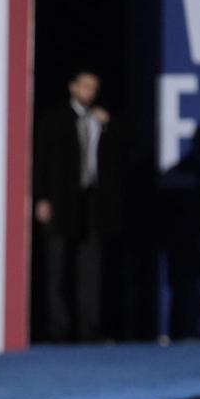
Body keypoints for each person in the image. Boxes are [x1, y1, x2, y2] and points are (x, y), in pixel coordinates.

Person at [33, 69, 121, 342]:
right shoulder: (54, 119)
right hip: (61, 201)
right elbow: (41, 161)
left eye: (93, 87)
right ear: (72, 87)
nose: (89, 92)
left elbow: (121, 157)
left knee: (90, 270)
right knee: (57, 269)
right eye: (84, 86)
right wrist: (41, 198)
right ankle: (58, 329)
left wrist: (108, 126)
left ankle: (89, 329)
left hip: (92, 203)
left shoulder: (101, 120)